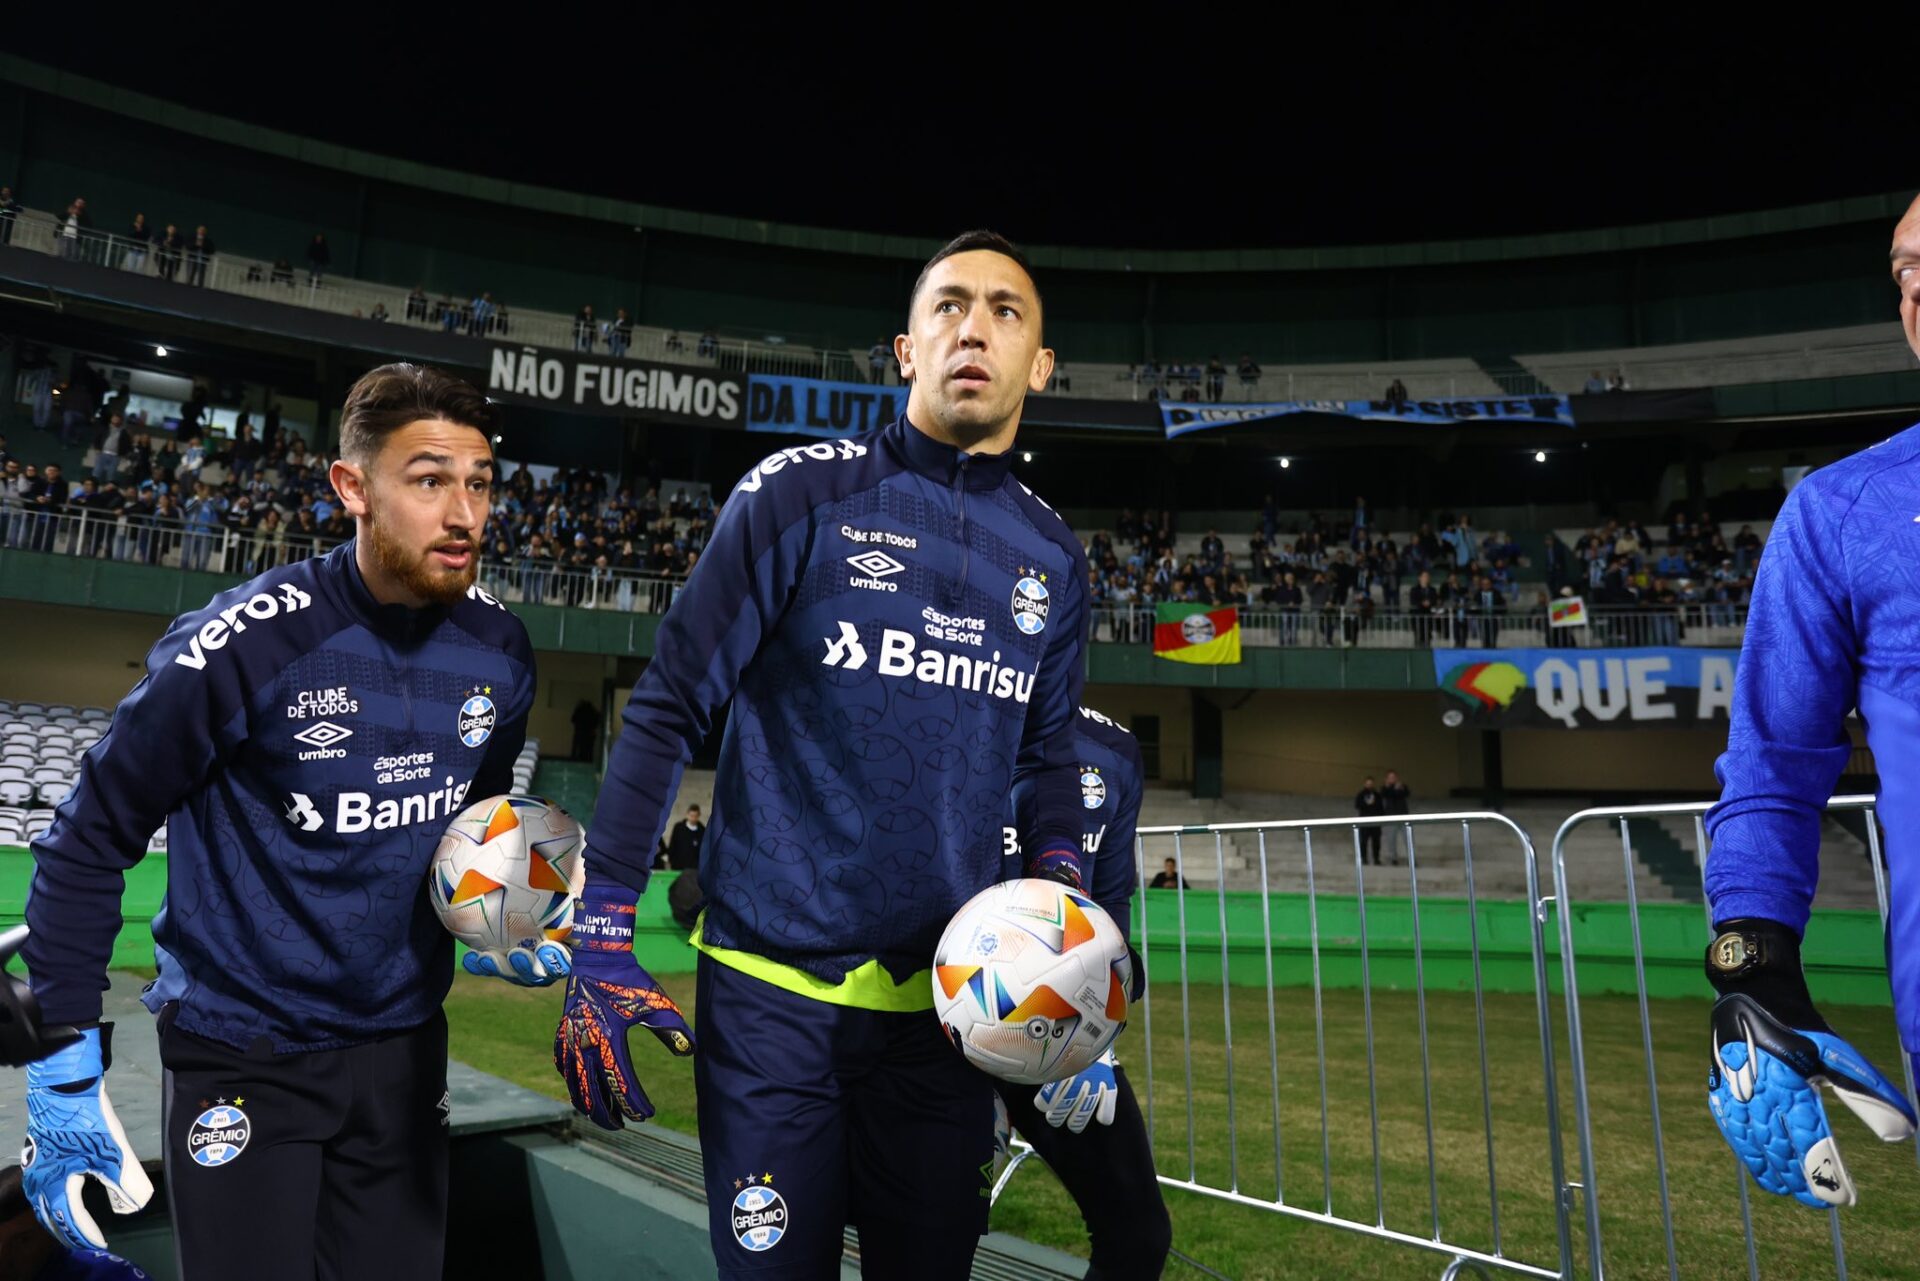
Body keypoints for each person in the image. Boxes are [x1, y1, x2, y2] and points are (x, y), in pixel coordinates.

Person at [555, 229, 1089, 1280]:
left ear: (1041, 366)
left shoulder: (1053, 559)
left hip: (945, 1023)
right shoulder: (797, 494)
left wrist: (1065, 900)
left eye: (1004, 311)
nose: (972, 327)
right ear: (905, 349)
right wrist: (605, 930)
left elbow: (1048, 758)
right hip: (769, 1002)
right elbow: (665, 707)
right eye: (948, 307)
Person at [19, 364, 549, 1276]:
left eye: (480, 482)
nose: (464, 512)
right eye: (428, 480)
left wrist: (498, 906)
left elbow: (480, 816)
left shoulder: (498, 649)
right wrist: (63, 1052)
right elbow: (90, 832)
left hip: (405, 1053)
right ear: (352, 487)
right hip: (243, 1055)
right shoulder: (242, 646)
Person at [1699, 196, 1920, 1211]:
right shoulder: (1840, 511)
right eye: (1905, 271)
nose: (1917, 290)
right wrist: (1753, 966)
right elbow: (1773, 765)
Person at [998, 706, 1169, 1279]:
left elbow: (1110, 904)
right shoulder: (949, 693)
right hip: (937, 1012)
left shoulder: (1114, 748)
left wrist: (1094, 1028)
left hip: (1054, 1029)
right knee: (932, 1226)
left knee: (1139, 1233)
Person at [656, 803, 705, 871]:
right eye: (691, 815)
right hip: (678, 866)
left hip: (694, 868)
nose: (693, 818)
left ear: (698, 816)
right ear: (687, 815)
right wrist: (671, 860)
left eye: (695, 816)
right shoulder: (679, 827)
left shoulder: (702, 830)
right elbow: (672, 844)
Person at [1380, 769, 1411, 866]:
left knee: (1408, 839)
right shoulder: (1384, 788)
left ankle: (1412, 858)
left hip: (1403, 816)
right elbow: (1387, 794)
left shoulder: (1402, 786)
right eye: (1390, 777)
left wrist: (1399, 788)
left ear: (1397, 778)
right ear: (1387, 778)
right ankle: (1394, 859)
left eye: (1393, 777)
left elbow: (1406, 793)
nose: (1392, 779)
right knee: (1391, 839)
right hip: (1390, 816)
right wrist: (1393, 789)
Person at [1354, 775, 1385, 866]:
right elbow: (1357, 805)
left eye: (1371, 784)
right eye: (1368, 784)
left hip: (1375, 821)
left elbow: (1381, 807)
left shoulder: (1377, 795)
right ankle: (1364, 858)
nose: (1369, 785)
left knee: (1376, 841)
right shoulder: (1361, 794)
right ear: (1365, 784)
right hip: (1364, 821)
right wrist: (1367, 804)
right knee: (1363, 841)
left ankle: (1376, 858)